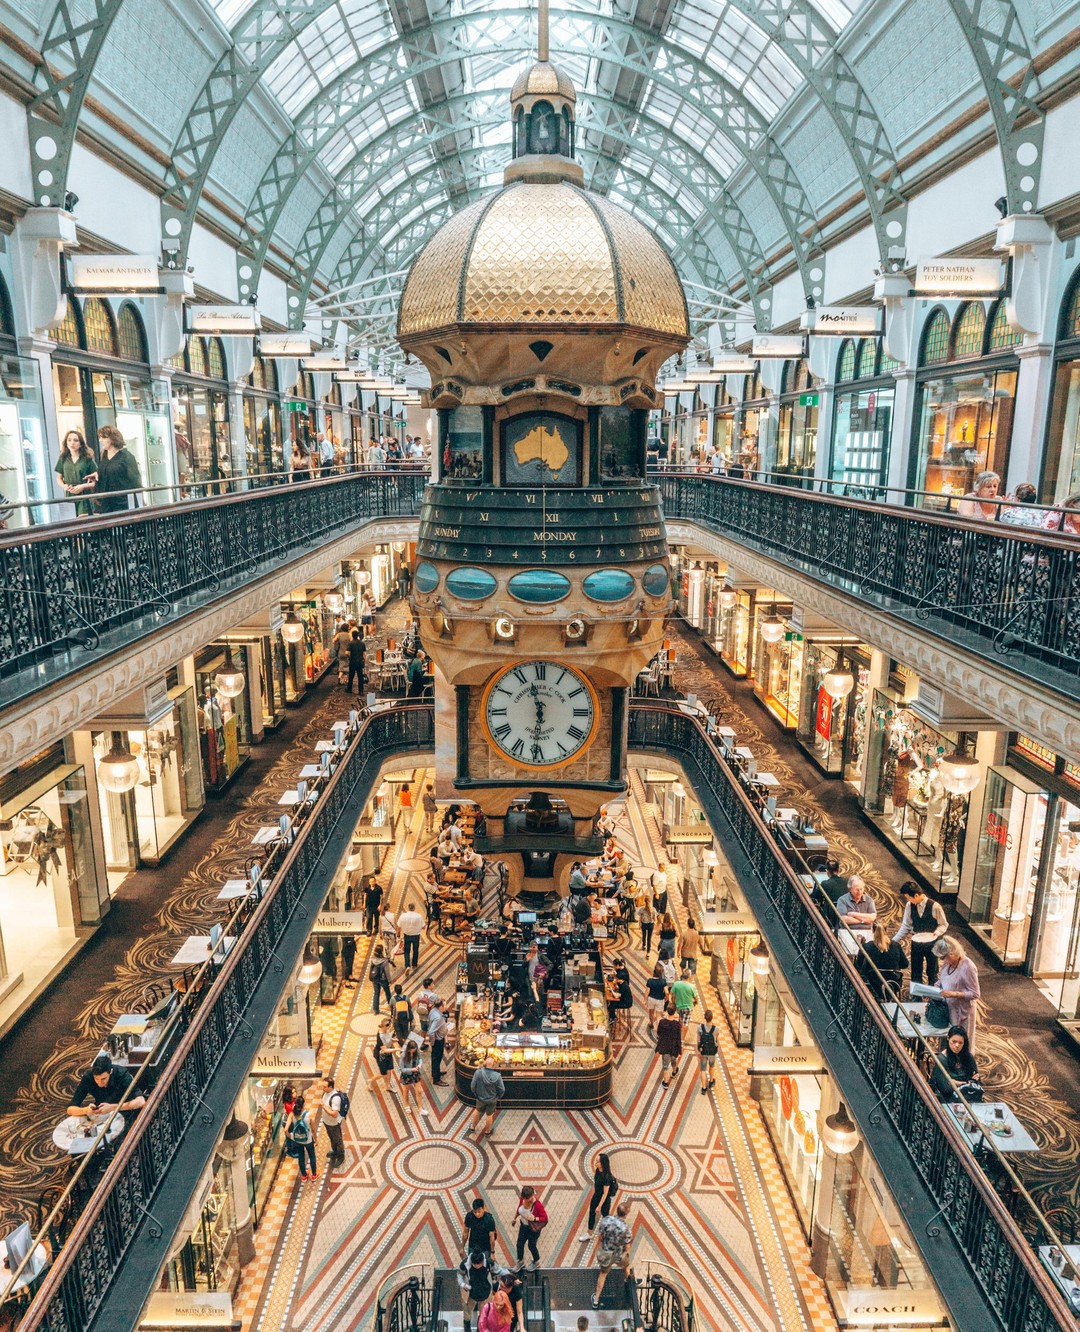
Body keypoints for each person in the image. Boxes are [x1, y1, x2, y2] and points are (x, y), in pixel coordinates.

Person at [893, 881, 948, 984]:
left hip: (932, 943)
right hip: (916, 941)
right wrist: (894, 941)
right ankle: (916, 994)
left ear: (916, 895)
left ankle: (933, 992)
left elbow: (943, 924)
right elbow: (906, 926)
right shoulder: (910, 905)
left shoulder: (935, 906)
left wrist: (936, 933)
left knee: (932, 970)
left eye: (908, 897)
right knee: (916, 970)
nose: (907, 900)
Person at [933, 936, 981, 1049]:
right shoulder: (947, 963)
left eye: (943, 957)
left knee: (960, 1043)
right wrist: (936, 987)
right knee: (947, 1039)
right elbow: (943, 979)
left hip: (962, 1013)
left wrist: (954, 994)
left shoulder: (968, 967)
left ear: (952, 953)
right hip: (947, 1008)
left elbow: (975, 994)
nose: (942, 960)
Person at [67, 1053, 146, 1118]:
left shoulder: (122, 1074)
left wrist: (112, 1107)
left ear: (110, 1072)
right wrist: (86, 1110)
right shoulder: (88, 1077)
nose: (99, 1083)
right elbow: (70, 1109)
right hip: (103, 1113)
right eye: (96, 1079)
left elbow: (140, 1101)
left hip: (126, 1112)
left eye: (103, 1079)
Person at [591, 1200, 632, 1308]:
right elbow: (627, 1246)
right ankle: (630, 1283)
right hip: (618, 1254)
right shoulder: (626, 1229)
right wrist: (626, 1253)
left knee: (603, 1274)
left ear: (617, 1211)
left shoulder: (606, 1220)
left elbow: (600, 1237)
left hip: (606, 1253)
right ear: (627, 1214)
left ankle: (596, 1300)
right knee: (626, 1266)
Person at [95, 425, 142, 513]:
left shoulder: (126, 457)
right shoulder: (104, 456)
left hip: (123, 502)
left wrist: (138, 502)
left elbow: (135, 480)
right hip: (106, 502)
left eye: (104, 437)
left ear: (113, 438)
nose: (100, 440)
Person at [857, 923, 908, 1001]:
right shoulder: (896, 945)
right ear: (886, 930)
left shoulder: (866, 946)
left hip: (873, 983)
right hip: (893, 982)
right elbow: (905, 964)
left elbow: (858, 965)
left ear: (873, 931)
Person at [929, 1025, 980, 1101]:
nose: (957, 1045)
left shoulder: (968, 1056)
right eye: (954, 1041)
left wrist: (956, 1083)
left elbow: (977, 1081)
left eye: (960, 1043)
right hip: (949, 1099)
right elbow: (945, 1089)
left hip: (968, 1095)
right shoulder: (942, 1059)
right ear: (948, 1038)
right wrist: (967, 1083)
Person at [54, 429, 98, 516]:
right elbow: (59, 478)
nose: (72, 443)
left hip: (84, 495)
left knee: (83, 520)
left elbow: (96, 481)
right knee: (71, 520)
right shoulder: (63, 458)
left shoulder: (87, 459)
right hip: (69, 494)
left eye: (75, 440)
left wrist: (83, 486)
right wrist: (64, 486)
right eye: (69, 440)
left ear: (81, 443)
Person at [578, 1151, 618, 1243]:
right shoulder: (597, 1171)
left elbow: (605, 1193)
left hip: (604, 1200)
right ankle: (589, 1233)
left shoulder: (607, 1177)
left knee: (605, 1217)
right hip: (596, 1196)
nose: (595, 1162)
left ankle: (608, 1234)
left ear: (602, 1163)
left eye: (597, 1161)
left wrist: (599, 1206)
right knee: (592, 1213)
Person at [467, 1056, 504, 1143]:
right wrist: (498, 1096)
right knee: (489, 1115)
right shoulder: (497, 1076)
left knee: (477, 1111)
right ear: (493, 1065)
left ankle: (472, 1127)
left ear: (485, 1064)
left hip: (480, 1098)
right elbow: (502, 1089)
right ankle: (487, 1132)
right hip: (492, 1099)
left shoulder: (478, 1073)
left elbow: (472, 1086)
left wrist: (476, 1095)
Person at [458, 1249, 495, 1332]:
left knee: (483, 1312)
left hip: (484, 1291)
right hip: (470, 1292)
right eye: (475, 1264)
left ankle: (480, 1328)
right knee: (467, 1310)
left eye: (479, 1264)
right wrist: (462, 1284)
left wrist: (511, 1277)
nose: (477, 1266)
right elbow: (459, 1274)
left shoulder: (489, 1263)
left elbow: (498, 1270)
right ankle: (467, 1326)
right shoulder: (464, 1264)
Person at [514, 1185, 547, 1272]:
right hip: (523, 1226)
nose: (532, 1198)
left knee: (531, 1245)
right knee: (519, 1244)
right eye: (529, 1198)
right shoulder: (523, 1199)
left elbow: (545, 1218)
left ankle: (536, 1261)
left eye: (532, 1196)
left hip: (533, 1229)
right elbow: (519, 1209)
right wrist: (515, 1218)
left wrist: (535, 1218)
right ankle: (520, 1261)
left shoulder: (538, 1205)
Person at [286, 1094, 317, 1180]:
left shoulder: (292, 1114)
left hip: (297, 1140)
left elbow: (285, 1130)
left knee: (301, 1157)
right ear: (304, 1105)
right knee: (312, 1156)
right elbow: (313, 1129)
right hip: (308, 1140)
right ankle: (314, 1175)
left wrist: (292, 1136)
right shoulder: (309, 1115)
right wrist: (316, 1139)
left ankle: (304, 1176)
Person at [655, 1002, 682, 1090]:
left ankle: (666, 1082)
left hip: (665, 1046)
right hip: (674, 1046)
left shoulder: (662, 1023)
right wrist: (680, 1049)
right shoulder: (677, 1025)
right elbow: (679, 1037)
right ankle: (674, 1071)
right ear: (674, 1013)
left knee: (665, 1065)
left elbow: (658, 1033)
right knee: (673, 1058)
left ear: (667, 1011)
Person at [398, 1036, 427, 1116]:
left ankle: (420, 1109)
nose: (413, 1052)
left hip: (415, 1073)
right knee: (406, 1090)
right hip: (407, 1074)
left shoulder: (416, 1052)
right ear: (409, 1049)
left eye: (414, 1051)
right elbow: (401, 1069)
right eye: (412, 1051)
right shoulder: (403, 1055)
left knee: (419, 1091)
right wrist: (411, 1070)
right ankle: (406, 1105)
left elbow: (420, 1059)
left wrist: (420, 1065)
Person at [321, 1077, 347, 1165]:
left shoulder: (335, 1099)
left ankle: (341, 1156)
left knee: (338, 1139)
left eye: (325, 1087)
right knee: (332, 1138)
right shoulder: (326, 1092)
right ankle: (335, 1151)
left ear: (331, 1087)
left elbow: (334, 1114)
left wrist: (323, 1107)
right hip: (327, 1122)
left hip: (334, 1123)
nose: (323, 1088)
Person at [368, 1018, 398, 1093]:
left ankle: (388, 1086)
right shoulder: (380, 1037)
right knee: (383, 1073)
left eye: (389, 1025)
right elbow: (384, 1050)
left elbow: (389, 1038)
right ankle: (370, 1081)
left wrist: (393, 1040)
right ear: (382, 1026)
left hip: (388, 1054)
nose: (388, 1027)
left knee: (389, 1070)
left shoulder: (387, 1031)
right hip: (381, 1056)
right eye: (387, 1026)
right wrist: (396, 1049)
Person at [427, 997, 448, 1086]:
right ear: (441, 1007)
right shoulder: (438, 1017)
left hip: (438, 1037)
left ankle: (435, 1072)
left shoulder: (434, 1010)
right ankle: (436, 1079)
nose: (447, 1006)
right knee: (437, 1058)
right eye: (445, 1004)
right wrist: (433, 1042)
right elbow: (431, 1032)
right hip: (437, 1040)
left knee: (436, 1058)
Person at [399, 900, 425, 970]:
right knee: (415, 950)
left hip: (407, 935)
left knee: (407, 950)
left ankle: (407, 965)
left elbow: (399, 926)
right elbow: (424, 927)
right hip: (416, 936)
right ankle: (414, 964)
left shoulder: (403, 916)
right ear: (414, 908)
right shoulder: (419, 916)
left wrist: (398, 935)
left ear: (408, 908)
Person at [697, 1008, 718, 1094]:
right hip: (712, 1051)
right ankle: (711, 1080)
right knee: (712, 1066)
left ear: (705, 1018)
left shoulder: (700, 1028)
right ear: (712, 1018)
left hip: (703, 1051)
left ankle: (703, 1088)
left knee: (703, 1069)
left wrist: (698, 1051)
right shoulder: (716, 1029)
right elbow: (716, 1040)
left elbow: (698, 1041)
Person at [370, 943, 393, 1014]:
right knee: (387, 993)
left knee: (376, 993)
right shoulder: (384, 961)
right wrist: (389, 980)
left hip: (375, 978)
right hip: (383, 979)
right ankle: (391, 1007)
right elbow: (387, 972)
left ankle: (375, 1010)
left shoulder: (373, 959)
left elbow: (371, 968)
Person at [644, 963, 667, 1037]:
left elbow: (647, 992)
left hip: (651, 999)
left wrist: (645, 1000)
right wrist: (666, 998)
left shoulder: (650, 981)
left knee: (651, 1012)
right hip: (660, 1000)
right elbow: (667, 992)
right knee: (658, 1016)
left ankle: (651, 1023)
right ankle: (658, 1030)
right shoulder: (663, 981)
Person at [347, 630, 366, 695]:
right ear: (358, 635)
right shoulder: (362, 643)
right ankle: (361, 691)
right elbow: (364, 654)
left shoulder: (350, 643)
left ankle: (349, 689)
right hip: (360, 661)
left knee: (351, 676)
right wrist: (364, 660)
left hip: (352, 661)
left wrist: (349, 656)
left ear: (352, 635)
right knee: (360, 676)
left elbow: (347, 652)